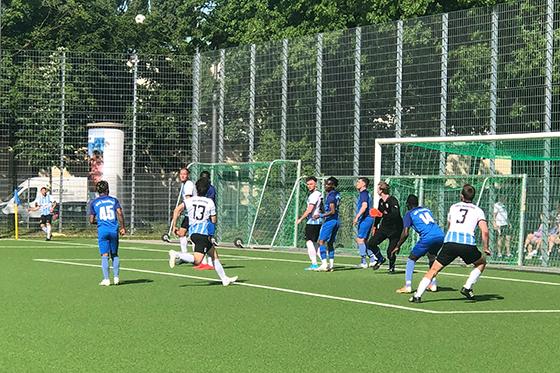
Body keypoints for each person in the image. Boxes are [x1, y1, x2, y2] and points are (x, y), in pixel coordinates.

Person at [409, 184, 491, 303]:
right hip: (467, 244)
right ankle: (467, 287)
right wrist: (485, 247)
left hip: (450, 243)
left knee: (433, 269)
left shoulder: (453, 207)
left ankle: (417, 295)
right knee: (481, 263)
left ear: (461, 196)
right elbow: (485, 231)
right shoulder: (478, 211)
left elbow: (449, 225)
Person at [168, 177, 238, 286]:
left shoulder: (189, 200)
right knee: (197, 261)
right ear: (207, 190)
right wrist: (211, 232)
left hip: (193, 233)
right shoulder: (209, 202)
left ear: (197, 189)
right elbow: (213, 220)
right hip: (203, 234)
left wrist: (174, 226)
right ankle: (177, 254)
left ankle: (225, 279)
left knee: (214, 255)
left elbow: (177, 210)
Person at [392, 194, 444, 294]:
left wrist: (398, 245)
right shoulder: (426, 210)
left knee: (412, 258)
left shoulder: (409, 214)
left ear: (408, 204)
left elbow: (405, 233)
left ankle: (407, 286)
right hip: (440, 235)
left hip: (428, 237)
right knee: (432, 256)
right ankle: (433, 284)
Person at [89, 180, 126, 286]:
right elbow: (119, 213)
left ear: (97, 191)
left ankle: (106, 279)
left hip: (102, 231)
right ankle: (116, 277)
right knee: (115, 254)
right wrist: (122, 227)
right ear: (108, 190)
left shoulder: (94, 203)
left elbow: (91, 220)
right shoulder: (114, 200)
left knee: (104, 255)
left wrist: (100, 221)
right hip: (113, 230)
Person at [366, 181, 403, 273]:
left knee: (390, 251)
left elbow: (395, 214)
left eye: (378, 188)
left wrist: (383, 214)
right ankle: (380, 259)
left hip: (395, 229)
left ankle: (391, 267)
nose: (377, 191)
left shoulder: (392, 200)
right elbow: (378, 215)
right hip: (384, 228)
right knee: (371, 243)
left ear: (381, 190)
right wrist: (375, 226)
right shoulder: (381, 201)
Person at [313, 177, 341, 272]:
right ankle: (331, 265)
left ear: (333, 185)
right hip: (337, 220)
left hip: (330, 220)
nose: (325, 186)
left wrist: (320, 215)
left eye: (328, 184)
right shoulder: (337, 194)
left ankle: (324, 264)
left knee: (321, 241)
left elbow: (332, 211)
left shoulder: (331, 196)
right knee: (330, 243)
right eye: (325, 184)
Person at [296, 176, 323, 270]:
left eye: (311, 184)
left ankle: (314, 264)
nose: (309, 186)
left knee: (309, 242)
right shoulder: (317, 194)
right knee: (315, 243)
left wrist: (300, 219)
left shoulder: (315, 194)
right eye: (308, 184)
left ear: (315, 184)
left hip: (313, 222)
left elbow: (310, 209)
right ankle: (324, 262)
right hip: (316, 221)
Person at [170, 167, 196, 254]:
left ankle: (199, 258)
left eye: (184, 174)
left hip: (193, 215)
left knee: (194, 236)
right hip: (188, 214)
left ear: (188, 175)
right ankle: (184, 254)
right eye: (181, 174)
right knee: (181, 233)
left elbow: (189, 200)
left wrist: (174, 225)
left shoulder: (188, 184)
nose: (183, 176)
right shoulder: (184, 184)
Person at [352, 177, 376, 268]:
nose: (357, 183)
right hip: (368, 218)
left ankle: (364, 262)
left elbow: (364, 206)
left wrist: (357, 217)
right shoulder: (365, 193)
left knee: (360, 239)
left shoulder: (363, 193)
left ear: (363, 184)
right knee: (364, 240)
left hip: (366, 218)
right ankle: (373, 259)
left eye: (359, 182)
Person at [197, 170, 217, 270]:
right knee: (201, 239)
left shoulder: (211, 189)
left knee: (208, 239)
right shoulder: (200, 188)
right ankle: (204, 261)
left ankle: (209, 261)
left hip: (207, 216)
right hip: (202, 217)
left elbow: (209, 202)